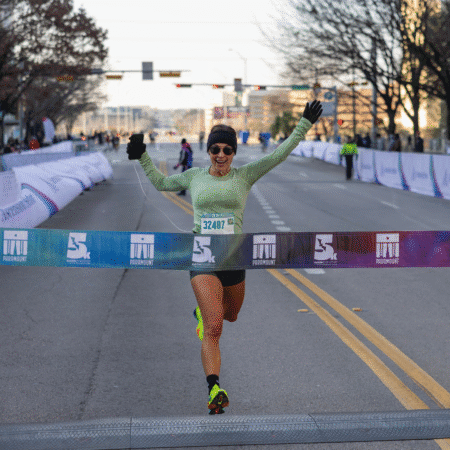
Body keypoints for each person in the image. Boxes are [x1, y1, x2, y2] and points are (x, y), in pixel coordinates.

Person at [126, 100, 323, 415]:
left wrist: (303, 124)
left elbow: (278, 154)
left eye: (227, 150)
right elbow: (163, 183)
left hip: (234, 258)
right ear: (208, 151)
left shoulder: (244, 176)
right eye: (215, 149)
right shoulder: (193, 177)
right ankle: (213, 388)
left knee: (230, 315)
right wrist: (143, 157)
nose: (220, 155)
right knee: (215, 326)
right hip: (203, 257)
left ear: (234, 153)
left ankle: (202, 314)